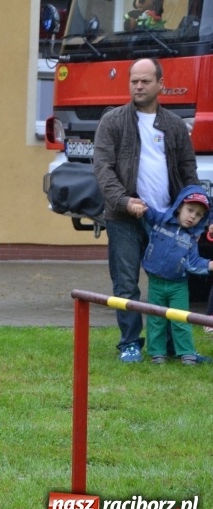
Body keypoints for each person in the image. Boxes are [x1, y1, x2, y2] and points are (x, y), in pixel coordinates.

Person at [94, 57, 200, 363]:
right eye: (133, 81)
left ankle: (168, 344)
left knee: (168, 283)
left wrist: (197, 216)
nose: (138, 86)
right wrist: (125, 201)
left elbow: (188, 172)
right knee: (126, 282)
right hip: (124, 218)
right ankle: (129, 342)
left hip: (167, 220)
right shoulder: (112, 122)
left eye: (145, 81)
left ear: (160, 85)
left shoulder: (175, 126)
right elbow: (102, 170)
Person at [139, 186, 212, 364]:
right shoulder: (160, 219)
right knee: (156, 319)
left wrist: (210, 264)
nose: (192, 216)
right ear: (179, 206)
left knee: (180, 319)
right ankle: (157, 353)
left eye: (199, 214)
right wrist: (137, 204)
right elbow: (146, 210)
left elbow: (194, 263)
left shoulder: (191, 240)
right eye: (190, 210)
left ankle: (186, 353)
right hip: (155, 283)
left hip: (178, 286)